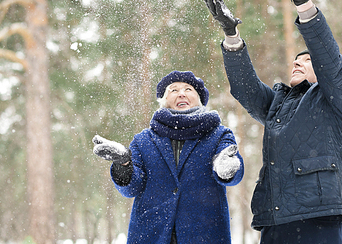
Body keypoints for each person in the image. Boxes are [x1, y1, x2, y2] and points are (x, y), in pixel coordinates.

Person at [202, 0, 342, 244]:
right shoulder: (278, 104)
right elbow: (246, 89)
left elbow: (329, 59)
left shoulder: (337, 99)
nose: (297, 63)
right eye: (295, 61)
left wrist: (304, 4)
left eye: (307, 60)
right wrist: (231, 36)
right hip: (274, 219)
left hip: (318, 217)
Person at [92, 70, 244, 244]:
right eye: (173, 90)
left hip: (204, 235)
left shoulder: (219, 135)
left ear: (199, 99)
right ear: (164, 101)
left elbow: (233, 175)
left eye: (188, 89)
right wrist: (123, 163)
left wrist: (225, 167)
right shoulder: (142, 140)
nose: (181, 93)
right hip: (151, 235)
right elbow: (131, 189)